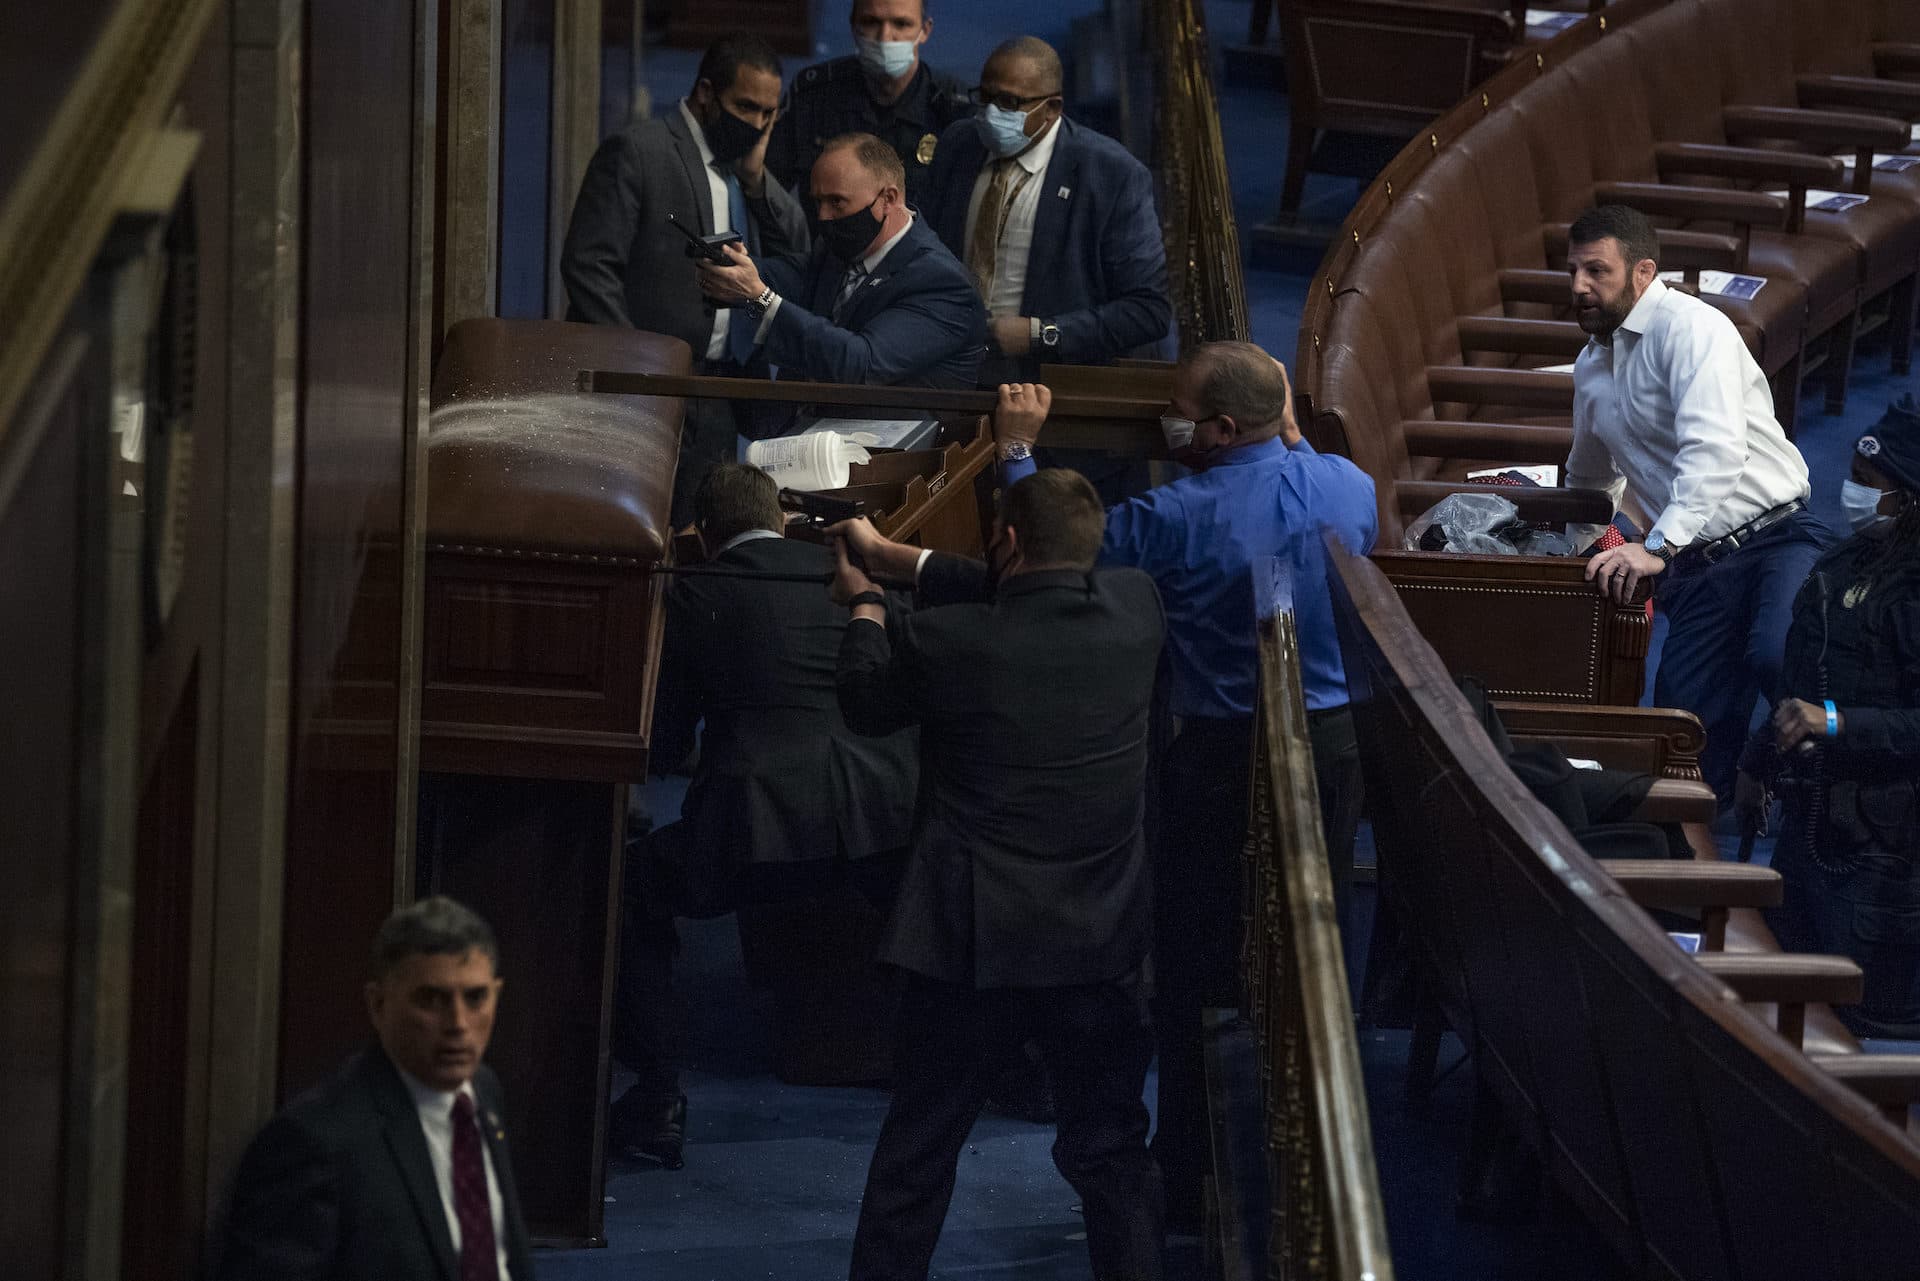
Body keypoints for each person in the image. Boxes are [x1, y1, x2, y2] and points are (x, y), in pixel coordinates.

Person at [988, 343, 1378, 1227]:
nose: (1169, 421)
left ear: (1219, 428)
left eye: (1182, 409)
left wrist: (1017, 452)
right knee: (1315, 928)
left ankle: (1189, 1168)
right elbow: (1307, 480)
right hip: (1334, 745)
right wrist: (1280, 419)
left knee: (1197, 958)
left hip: (1218, 759)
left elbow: (1051, 549)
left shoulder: (1172, 516)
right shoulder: (1349, 487)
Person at [826, 468, 1168, 1281]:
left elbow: (865, 703)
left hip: (970, 946)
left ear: (1005, 540)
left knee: (919, 1152)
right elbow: (1036, 585)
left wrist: (869, 602)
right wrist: (901, 559)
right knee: (1112, 1154)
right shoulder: (1138, 611)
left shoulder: (946, 641)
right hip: (1099, 940)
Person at [611, 463, 918, 1168]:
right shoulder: (846, 573)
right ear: (779, 521)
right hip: (885, 815)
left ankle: (657, 1094)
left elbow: (661, 739)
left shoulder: (698, 590)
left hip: (760, 827)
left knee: (632, 889)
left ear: (704, 533)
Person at [1564, 203, 1829, 804]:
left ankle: (1835, 777)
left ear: (1642, 272)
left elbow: (1714, 452)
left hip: (1776, 537)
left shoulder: (1692, 330)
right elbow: (1590, 479)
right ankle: (1712, 838)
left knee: (1775, 654)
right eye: (1574, 270)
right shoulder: (1590, 367)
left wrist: (1654, 547)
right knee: (1682, 733)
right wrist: (1567, 546)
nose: (1579, 286)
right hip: (1702, 564)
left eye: (1596, 272)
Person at [212, 898, 536, 1281]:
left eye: (476, 997)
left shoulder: (484, 1090)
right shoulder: (314, 1144)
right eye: (431, 999)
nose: (458, 1024)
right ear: (378, 1004)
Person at [559, 34, 809, 525]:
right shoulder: (639, 151)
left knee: (698, 537)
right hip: (646, 387)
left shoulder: (745, 172)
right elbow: (590, 268)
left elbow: (795, 250)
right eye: (745, 107)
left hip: (718, 394)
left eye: (767, 114)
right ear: (705, 93)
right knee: (630, 531)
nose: (756, 124)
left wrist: (758, 180)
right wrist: (638, 371)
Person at [1738, 411, 1920, 1039]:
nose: (1855, 492)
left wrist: (1840, 722)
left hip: (1883, 858)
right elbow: (1797, 685)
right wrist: (1757, 763)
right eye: (1852, 475)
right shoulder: (1839, 564)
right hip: (1809, 827)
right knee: (1786, 1006)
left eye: (1870, 481)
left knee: (1843, 1029)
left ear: (1908, 496)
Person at [923, 36, 1172, 383]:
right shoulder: (960, 143)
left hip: (1048, 383)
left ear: (1052, 108)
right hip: (947, 367)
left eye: (1009, 102)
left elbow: (1148, 311)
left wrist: (1040, 333)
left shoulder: (1112, 175)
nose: (992, 113)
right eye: (986, 97)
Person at [697, 132, 987, 391]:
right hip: (811, 433)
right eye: (817, 202)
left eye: (836, 202)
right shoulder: (840, 248)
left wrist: (761, 298)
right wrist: (730, 265)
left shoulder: (943, 284)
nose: (823, 217)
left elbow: (862, 364)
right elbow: (787, 276)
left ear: (888, 198)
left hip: (898, 447)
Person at [767, 0, 969, 220]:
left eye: (901, 24)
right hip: (827, 250)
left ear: (925, 30)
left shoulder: (953, 108)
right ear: (853, 25)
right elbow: (769, 186)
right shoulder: (814, 94)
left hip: (918, 251)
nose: (884, 37)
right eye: (871, 22)